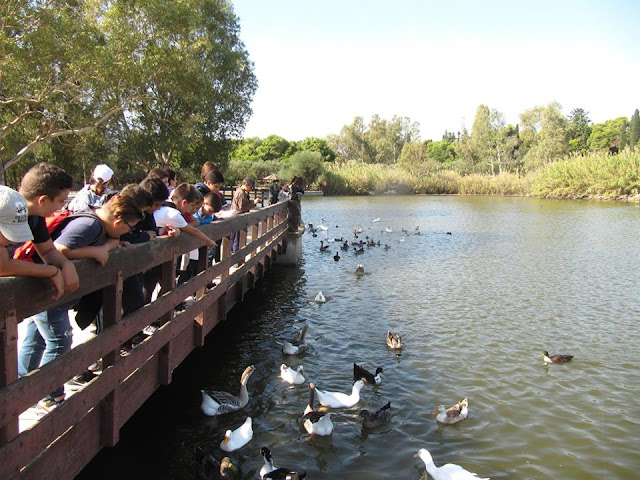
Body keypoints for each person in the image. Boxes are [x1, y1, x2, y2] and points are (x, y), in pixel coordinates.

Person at [18, 193, 142, 412]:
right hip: (50, 295)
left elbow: (109, 240)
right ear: (118, 222)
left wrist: (109, 245)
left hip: (48, 295)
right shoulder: (89, 226)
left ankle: (21, 390)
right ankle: (50, 396)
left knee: (36, 340)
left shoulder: (100, 226)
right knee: (59, 341)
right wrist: (97, 250)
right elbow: (60, 250)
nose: (129, 232)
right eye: (129, 227)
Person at [14, 164, 79, 301]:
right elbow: (2, 266)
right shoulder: (7, 214)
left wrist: (66, 264)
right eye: (60, 201)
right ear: (43, 200)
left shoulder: (34, 217)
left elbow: (47, 251)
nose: (61, 207)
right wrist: (51, 271)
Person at [230, 177, 260, 253]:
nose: (252, 188)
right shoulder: (240, 193)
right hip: (237, 219)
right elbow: (241, 208)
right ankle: (236, 258)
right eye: (251, 187)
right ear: (246, 184)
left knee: (236, 239)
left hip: (238, 219)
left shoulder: (242, 192)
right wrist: (254, 203)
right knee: (237, 241)